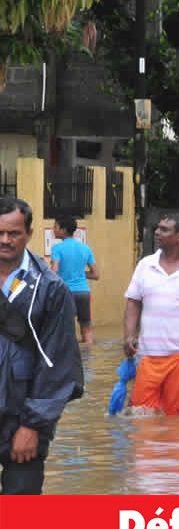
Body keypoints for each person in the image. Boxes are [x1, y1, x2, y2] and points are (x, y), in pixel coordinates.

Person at [0, 197, 83, 494]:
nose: (5, 240)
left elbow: (58, 362)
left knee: (21, 522)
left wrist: (33, 426)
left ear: (30, 234)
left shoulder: (51, 288)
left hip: (22, 418)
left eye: (14, 233)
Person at [124, 214, 179, 416]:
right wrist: (129, 336)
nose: (157, 232)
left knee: (176, 419)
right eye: (158, 228)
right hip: (146, 355)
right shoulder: (145, 265)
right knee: (140, 416)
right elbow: (133, 302)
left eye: (164, 229)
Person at [50, 215, 98, 345]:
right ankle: (89, 361)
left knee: (66, 329)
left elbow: (54, 272)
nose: (53, 229)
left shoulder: (57, 248)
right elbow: (96, 275)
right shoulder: (85, 248)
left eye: (55, 226)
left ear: (63, 229)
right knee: (86, 328)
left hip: (66, 293)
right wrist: (79, 273)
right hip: (83, 292)